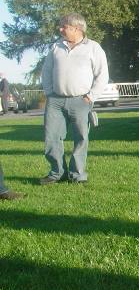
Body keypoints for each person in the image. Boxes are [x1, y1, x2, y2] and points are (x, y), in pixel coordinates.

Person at [40, 13, 109, 184]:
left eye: (64, 26)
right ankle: (57, 173)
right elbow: (46, 71)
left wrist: (91, 96)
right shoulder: (56, 47)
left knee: (81, 139)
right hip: (55, 101)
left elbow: (102, 75)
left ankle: (77, 175)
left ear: (77, 28)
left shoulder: (93, 47)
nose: (60, 29)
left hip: (81, 100)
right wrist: (49, 92)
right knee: (51, 138)